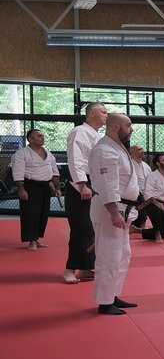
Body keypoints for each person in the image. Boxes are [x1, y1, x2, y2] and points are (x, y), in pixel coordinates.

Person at [89, 113, 140, 315]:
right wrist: (113, 212)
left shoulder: (116, 147)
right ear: (115, 127)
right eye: (128, 125)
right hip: (110, 209)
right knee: (109, 256)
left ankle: (112, 295)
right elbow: (106, 184)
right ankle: (104, 302)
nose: (131, 129)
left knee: (122, 255)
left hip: (123, 209)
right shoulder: (104, 150)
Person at [63, 101, 106, 283]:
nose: (106, 115)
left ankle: (86, 267)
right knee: (80, 228)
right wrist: (82, 184)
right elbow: (75, 160)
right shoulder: (79, 132)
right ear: (91, 114)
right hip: (81, 185)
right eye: (103, 112)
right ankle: (69, 269)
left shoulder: (97, 135)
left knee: (92, 228)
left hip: (96, 184)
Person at [12, 127, 60, 250]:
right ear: (30, 139)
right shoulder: (21, 153)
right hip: (29, 186)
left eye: (42, 136)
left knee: (43, 214)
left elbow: (54, 172)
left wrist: (57, 188)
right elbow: (18, 172)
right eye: (39, 136)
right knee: (30, 214)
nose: (42, 137)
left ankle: (37, 238)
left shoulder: (48, 153)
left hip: (45, 187)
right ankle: (31, 241)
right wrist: (21, 189)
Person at [139, 153, 164, 242]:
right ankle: (157, 233)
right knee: (158, 213)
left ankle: (138, 230)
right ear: (158, 163)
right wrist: (157, 203)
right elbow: (147, 193)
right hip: (151, 202)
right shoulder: (152, 176)